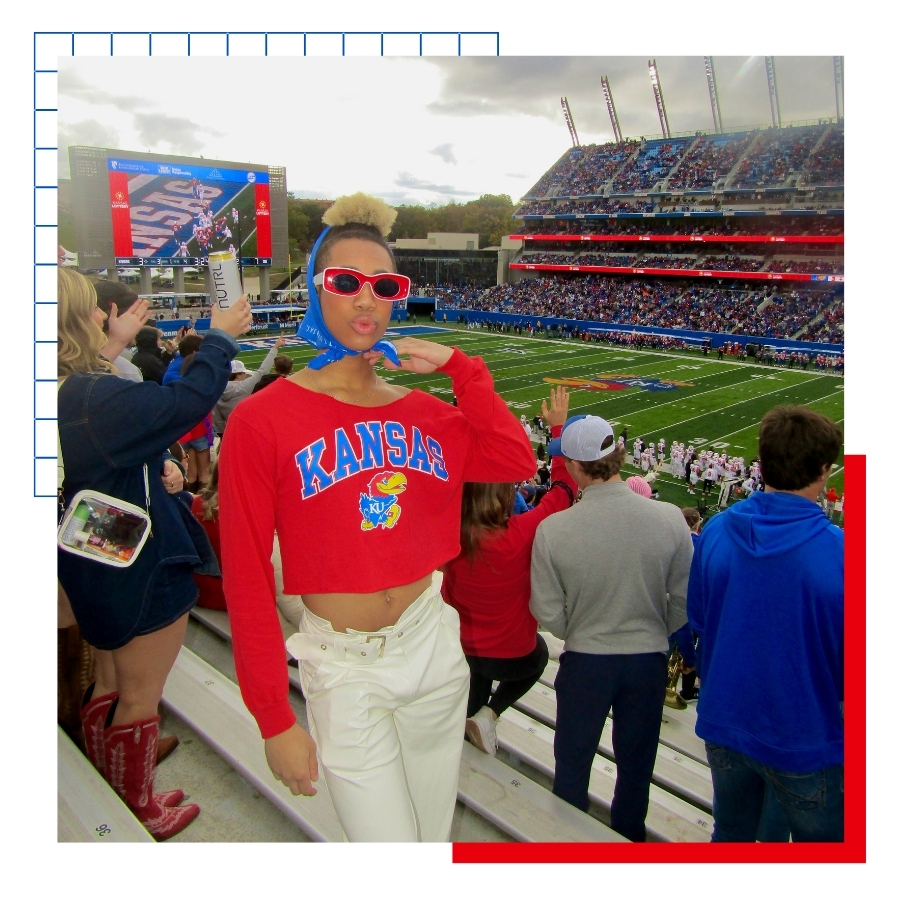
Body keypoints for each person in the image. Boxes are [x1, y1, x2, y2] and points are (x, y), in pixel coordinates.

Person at [217, 193, 535, 842]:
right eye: (345, 282)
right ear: (315, 287)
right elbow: (246, 575)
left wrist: (459, 366)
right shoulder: (262, 419)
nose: (367, 299)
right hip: (345, 665)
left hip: (433, 650)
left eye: (383, 284)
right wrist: (273, 715)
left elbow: (511, 457)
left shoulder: (428, 414)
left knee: (431, 841)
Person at [57, 268, 252, 839]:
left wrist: (113, 346)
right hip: (136, 561)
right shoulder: (91, 397)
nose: (103, 314)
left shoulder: (61, 389)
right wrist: (219, 338)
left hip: (95, 549)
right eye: (93, 308)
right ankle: (137, 804)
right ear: (75, 319)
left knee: (115, 680)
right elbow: (181, 402)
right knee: (140, 696)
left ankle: (112, 780)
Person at [529, 415, 693, 841]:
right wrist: (654, 629)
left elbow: (546, 610)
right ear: (617, 455)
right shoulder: (670, 518)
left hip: (586, 660)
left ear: (576, 466)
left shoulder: (553, 529)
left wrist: (581, 628)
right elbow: (685, 602)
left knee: (572, 767)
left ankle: (568, 846)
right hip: (647, 663)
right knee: (637, 770)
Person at [687, 405, 844, 842]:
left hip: (725, 719)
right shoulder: (842, 553)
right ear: (823, 470)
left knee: (733, 834)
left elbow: (699, 619)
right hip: (805, 735)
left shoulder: (717, 530)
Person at [442, 386, 577, 756]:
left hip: (462, 645)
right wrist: (559, 429)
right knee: (539, 656)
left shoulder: (448, 531)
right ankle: (489, 713)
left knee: (475, 673)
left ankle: (468, 722)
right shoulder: (520, 533)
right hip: (512, 653)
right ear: (504, 494)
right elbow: (563, 490)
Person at [212, 336, 285, 437]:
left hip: (230, 430)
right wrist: (275, 347)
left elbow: (218, 420)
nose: (246, 375)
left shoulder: (217, 390)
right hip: (247, 429)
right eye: (243, 373)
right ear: (237, 375)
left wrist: (223, 435)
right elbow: (262, 371)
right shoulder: (244, 387)